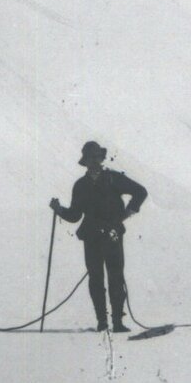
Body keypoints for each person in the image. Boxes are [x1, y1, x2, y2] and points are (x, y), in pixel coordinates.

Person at [50, 141, 148, 333]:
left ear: (102, 158)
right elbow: (75, 216)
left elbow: (140, 192)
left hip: (112, 233)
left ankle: (118, 323)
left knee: (116, 278)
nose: (94, 161)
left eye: (97, 157)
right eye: (90, 158)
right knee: (95, 279)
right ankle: (102, 322)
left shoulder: (114, 178)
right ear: (85, 161)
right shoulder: (79, 186)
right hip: (91, 236)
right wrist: (59, 209)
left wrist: (127, 213)